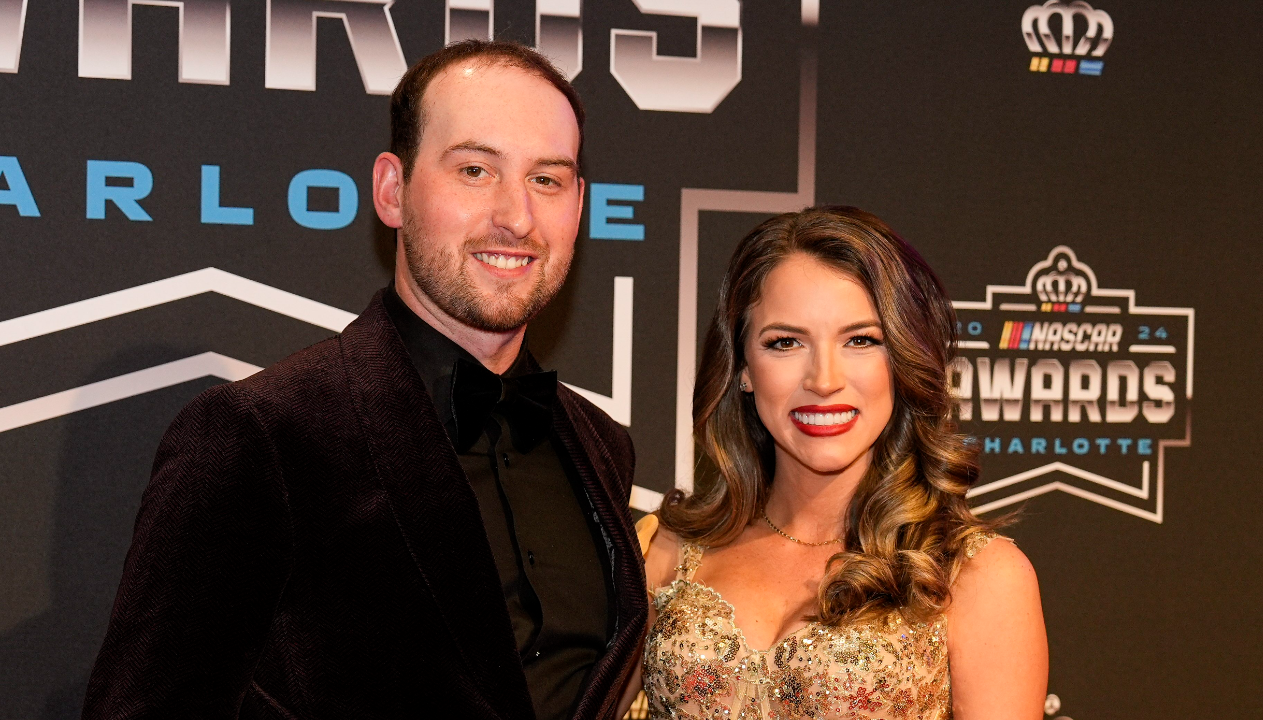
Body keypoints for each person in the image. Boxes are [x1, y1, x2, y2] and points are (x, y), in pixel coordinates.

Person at [82, 41, 647, 720]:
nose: (516, 216)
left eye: (547, 180)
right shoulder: (260, 435)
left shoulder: (600, 447)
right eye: (475, 169)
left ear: (579, 205)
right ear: (392, 189)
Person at [628, 207, 1048, 719]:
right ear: (742, 369)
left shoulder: (978, 576)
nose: (823, 379)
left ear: (903, 361)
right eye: (786, 343)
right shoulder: (664, 553)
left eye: (860, 341)